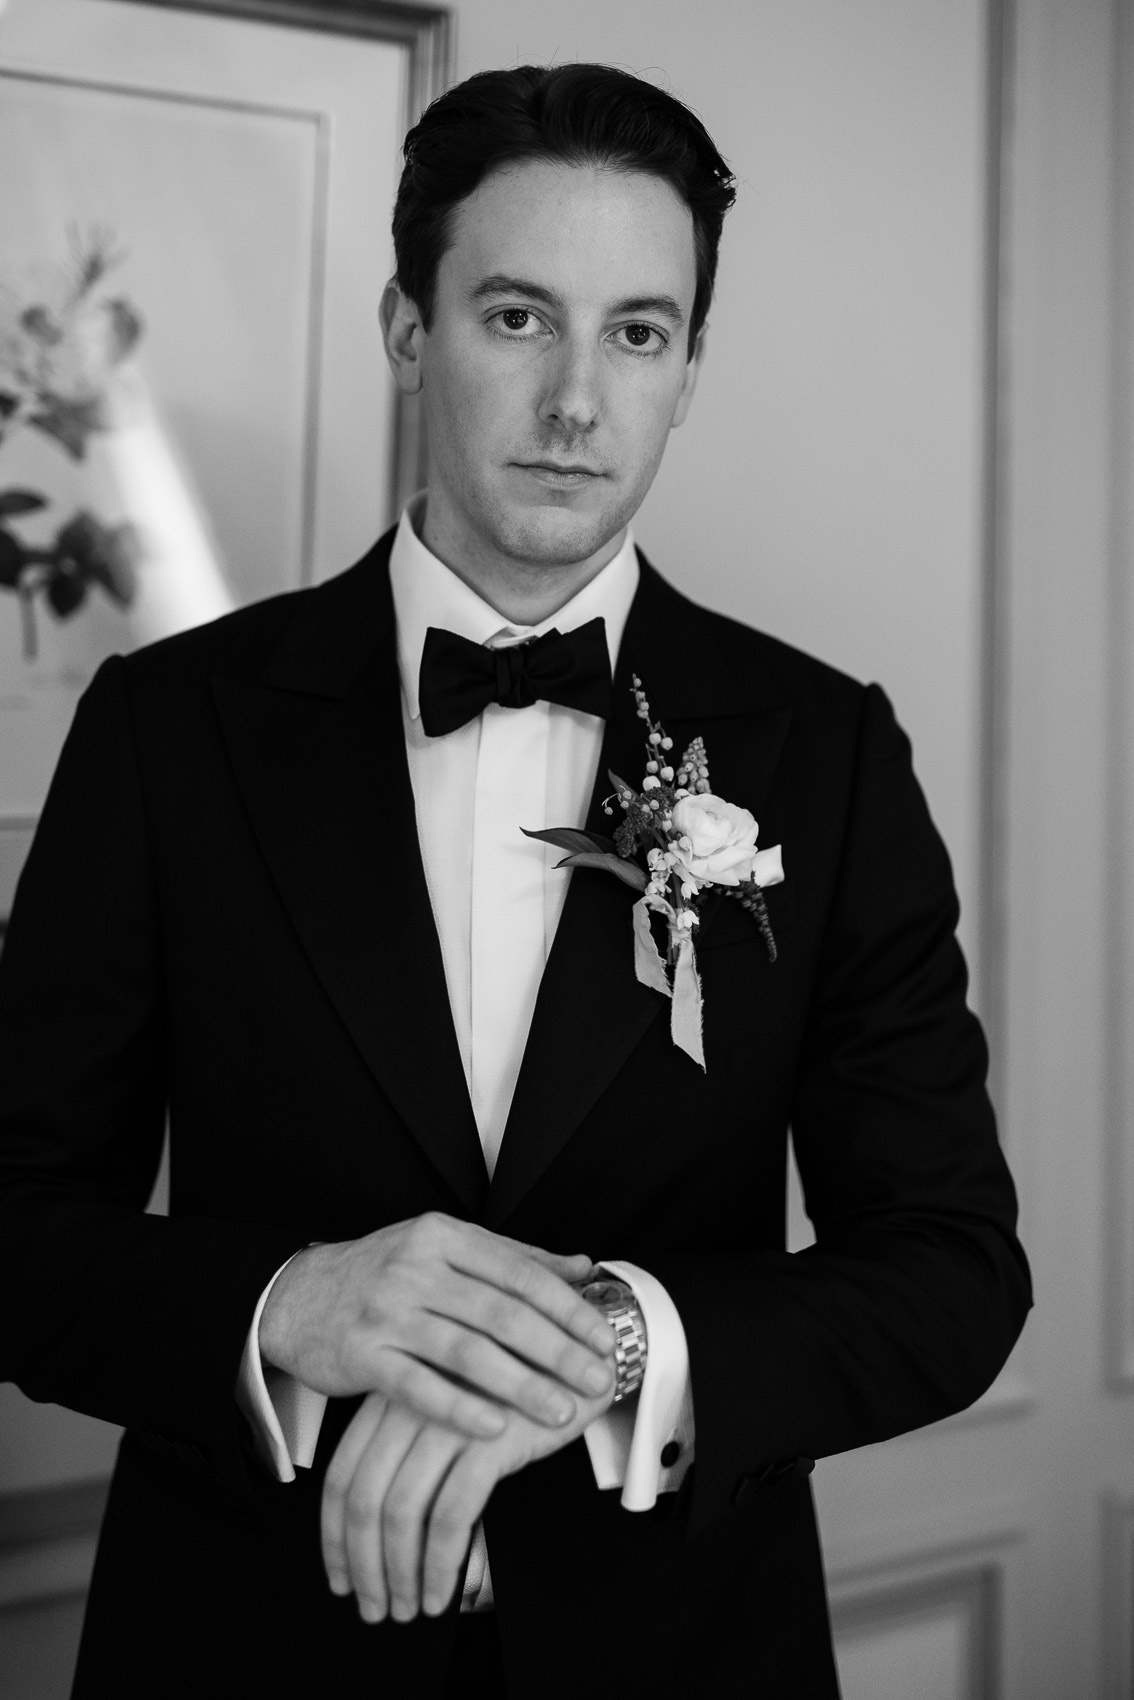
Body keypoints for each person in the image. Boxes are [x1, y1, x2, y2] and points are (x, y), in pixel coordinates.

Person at [0, 62, 1031, 1699]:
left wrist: (608, 1348)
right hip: (240, 1644)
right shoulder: (168, 728)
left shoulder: (823, 748)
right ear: (408, 329)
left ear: (687, 369)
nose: (575, 403)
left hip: (682, 1651)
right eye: (515, 317)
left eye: (637, 333)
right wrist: (288, 1303)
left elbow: (950, 1270)